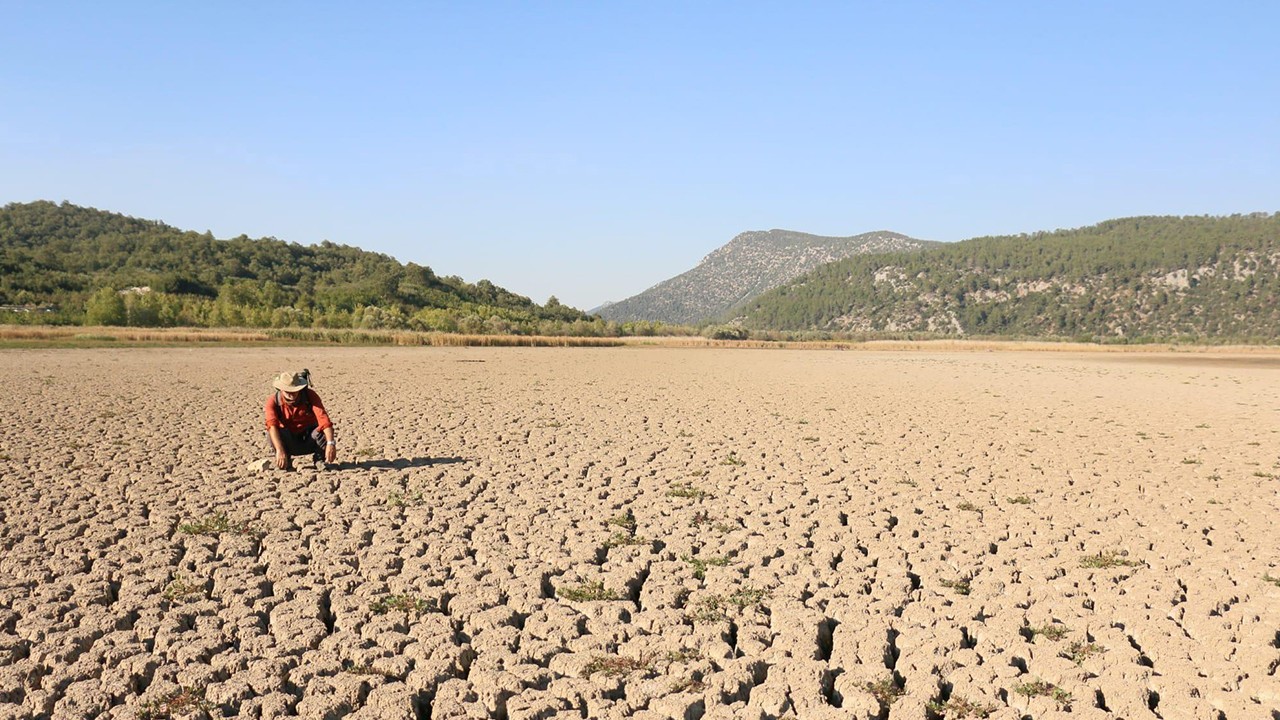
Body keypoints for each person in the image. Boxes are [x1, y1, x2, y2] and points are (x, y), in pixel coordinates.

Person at [264, 369, 337, 470]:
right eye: (287, 391)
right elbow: (271, 425)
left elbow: (324, 420)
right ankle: (286, 460)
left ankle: (319, 460)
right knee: (271, 433)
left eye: (294, 391)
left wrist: (330, 443)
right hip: (288, 441)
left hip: (309, 439)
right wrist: (279, 450)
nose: (291, 394)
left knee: (324, 431)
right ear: (280, 389)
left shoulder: (310, 396)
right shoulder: (273, 401)